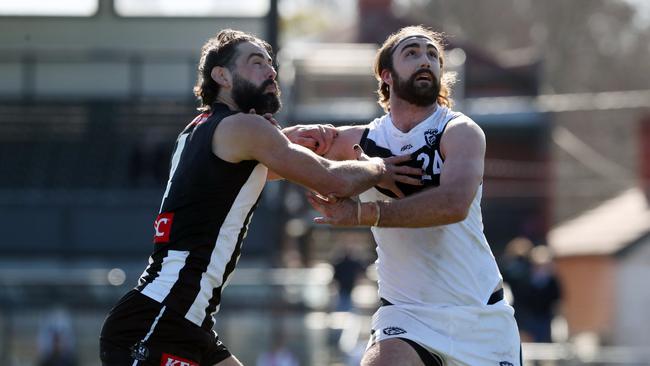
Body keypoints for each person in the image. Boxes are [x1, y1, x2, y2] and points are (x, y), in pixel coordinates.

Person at [99, 29, 422, 366]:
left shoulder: (199, 129)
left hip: (186, 323)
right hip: (157, 322)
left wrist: (280, 143)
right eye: (256, 63)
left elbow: (245, 177)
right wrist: (380, 167)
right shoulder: (243, 129)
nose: (270, 71)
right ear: (222, 76)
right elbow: (331, 180)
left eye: (270, 63)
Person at [306, 25, 521, 366]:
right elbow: (272, 157)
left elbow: (453, 204)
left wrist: (364, 214)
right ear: (386, 75)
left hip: (478, 317)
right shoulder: (362, 140)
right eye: (412, 53)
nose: (426, 60)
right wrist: (257, 130)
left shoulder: (459, 131)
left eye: (433, 55)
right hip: (405, 315)